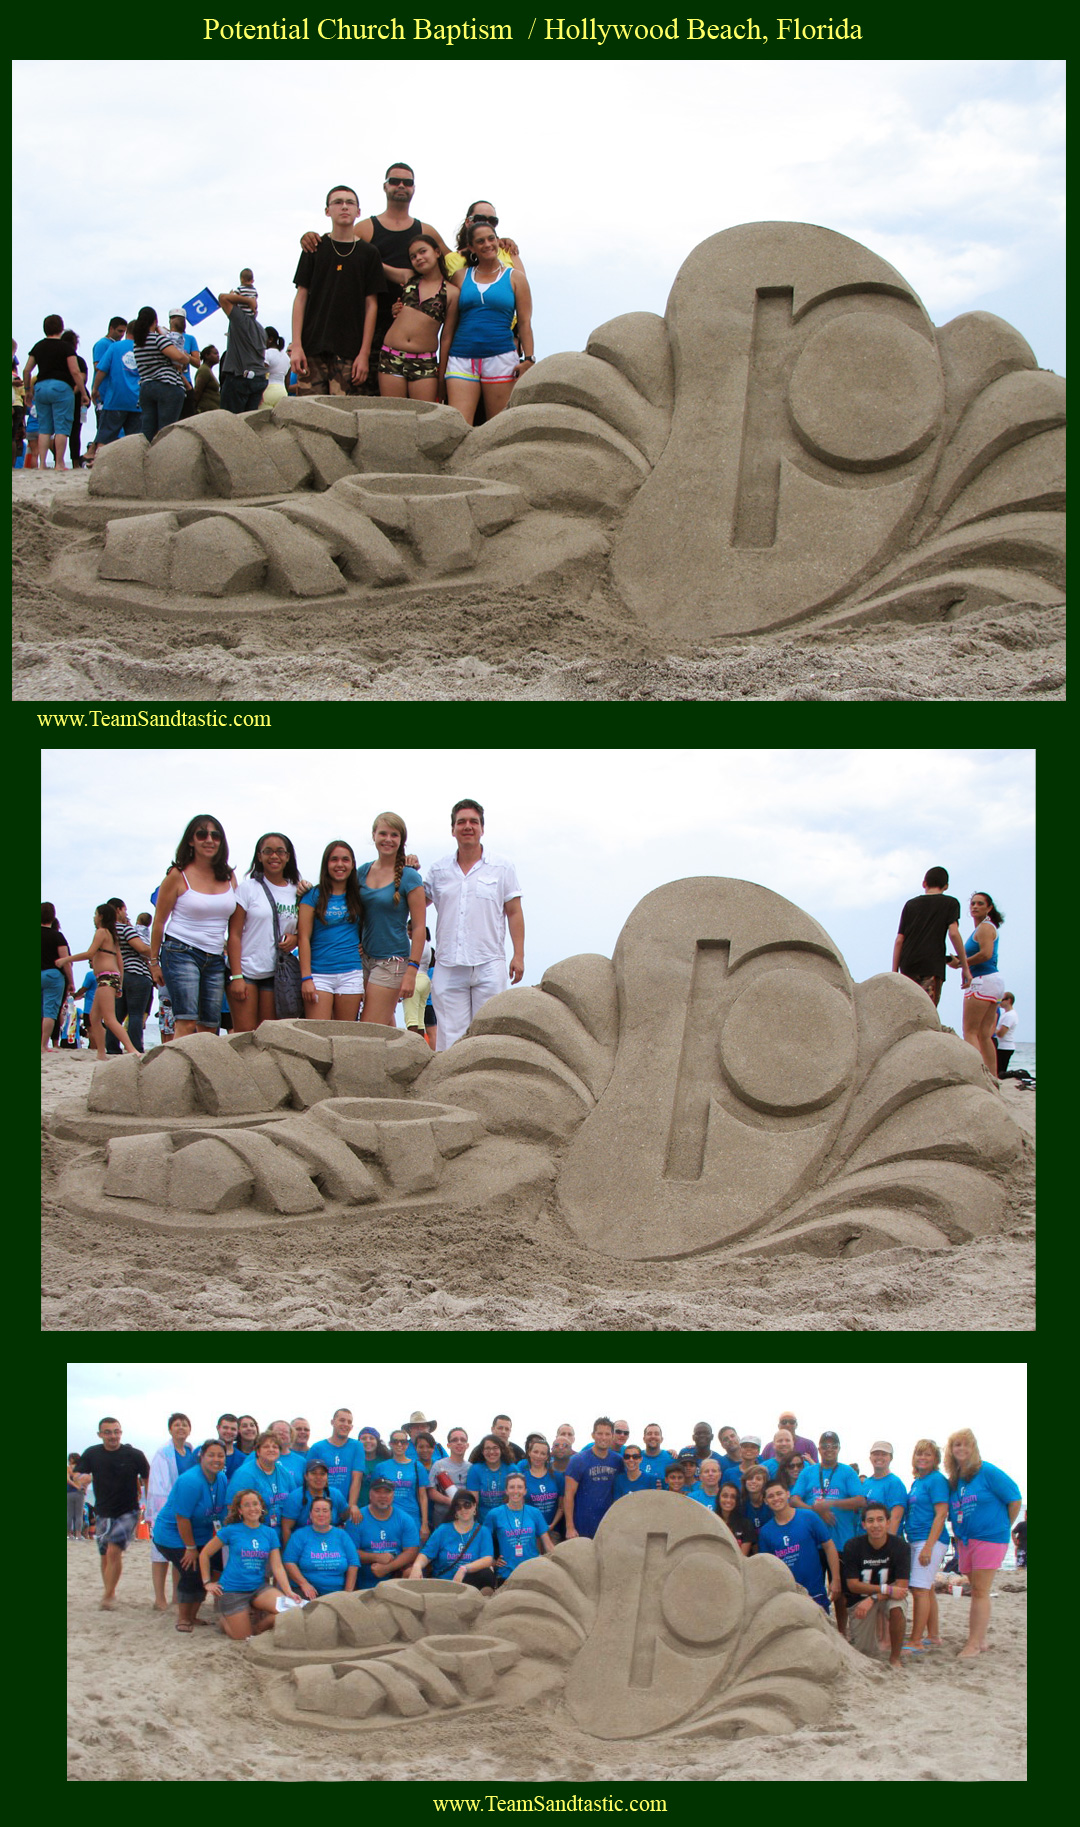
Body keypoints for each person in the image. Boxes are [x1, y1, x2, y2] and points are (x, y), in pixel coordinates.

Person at [427, 799, 524, 1051]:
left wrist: (519, 955)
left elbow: (514, 912)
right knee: (450, 1037)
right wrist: (404, 868)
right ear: (453, 829)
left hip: (489, 962)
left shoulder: (502, 867)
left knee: (490, 1034)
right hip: (449, 964)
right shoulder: (438, 871)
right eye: (461, 822)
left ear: (482, 828)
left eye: (473, 822)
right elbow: (416, 901)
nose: (467, 826)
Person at [290, 185, 387, 395]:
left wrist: (364, 353)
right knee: (309, 414)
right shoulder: (314, 247)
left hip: (350, 351)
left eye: (350, 203)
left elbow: (372, 305)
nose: (344, 207)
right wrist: (296, 345)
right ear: (327, 211)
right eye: (338, 202)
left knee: (342, 417)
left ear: (358, 211)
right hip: (312, 346)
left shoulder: (369, 253)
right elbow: (300, 298)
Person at [149, 816, 237, 1038]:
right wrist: (153, 963)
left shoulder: (228, 876)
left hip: (216, 957)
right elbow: (159, 921)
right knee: (186, 1021)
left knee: (209, 1026)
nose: (209, 840)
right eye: (202, 834)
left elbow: (236, 925)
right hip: (181, 950)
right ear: (191, 840)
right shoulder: (178, 875)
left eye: (215, 835)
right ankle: (179, 1072)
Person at [442, 221, 534, 424]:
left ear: (498, 241)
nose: (487, 244)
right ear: (472, 248)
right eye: (480, 241)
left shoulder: (515, 278)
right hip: (461, 358)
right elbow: (444, 311)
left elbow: (525, 322)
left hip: (500, 357)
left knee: (497, 427)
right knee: (458, 426)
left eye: (491, 238)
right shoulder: (460, 276)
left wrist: (528, 358)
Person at [945, 1426, 1022, 1659]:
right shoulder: (956, 1480)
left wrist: (1002, 1526)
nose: (961, 1448)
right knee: (976, 1588)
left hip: (989, 1539)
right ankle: (982, 1639)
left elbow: (1015, 1497)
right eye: (956, 1444)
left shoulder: (986, 1471)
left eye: (966, 1444)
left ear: (974, 1448)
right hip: (965, 1540)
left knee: (980, 1591)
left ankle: (974, 1644)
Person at [789, 1432, 865, 1637]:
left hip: (841, 1542)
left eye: (833, 1445)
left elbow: (860, 1500)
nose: (829, 1449)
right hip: (812, 1543)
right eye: (825, 1445)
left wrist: (831, 1503)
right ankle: (814, 1631)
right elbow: (794, 1499)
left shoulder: (847, 1472)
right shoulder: (809, 1472)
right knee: (811, 1588)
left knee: (839, 1590)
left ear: (839, 1448)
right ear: (819, 1449)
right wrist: (816, 1511)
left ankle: (841, 1632)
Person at [227, 831, 303, 1031]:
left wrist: (295, 938)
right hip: (247, 970)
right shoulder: (247, 889)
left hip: (277, 974)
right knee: (244, 1036)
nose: (274, 856)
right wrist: (236, 976)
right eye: (268, 851)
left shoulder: (297, 890)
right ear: (259, 856)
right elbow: (233, 934)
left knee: (269, 1036)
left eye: (280, 851)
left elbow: (304, 930)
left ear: (288, 856)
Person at [72, 1418, 151, 1610]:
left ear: (121, 1433)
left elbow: (148, 1478)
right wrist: (84, 1478)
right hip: (103, 1511)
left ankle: (107, 1596)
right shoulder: (92, 1453)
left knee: (114, 1550)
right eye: (108, 1432)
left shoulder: (134, 1455)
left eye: (116, 1431)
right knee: (104, 1555)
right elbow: (77, 1475)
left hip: (129, 1511)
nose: (113, 1436)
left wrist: (149, 1505)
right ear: (100, 1435)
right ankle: (111, 1591)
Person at [357, 813, 427, 1026]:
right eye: (383, 833)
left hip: (393, 962)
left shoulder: (410, 876)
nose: (388, 839)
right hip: (364, 959)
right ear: (374, 835)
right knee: (385, 1026)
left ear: (401, 840)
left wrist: (412, 971)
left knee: (369, 1027)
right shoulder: (362, 872)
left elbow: (418, 927)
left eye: (394, 835)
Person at [151, 1440, 229, 1630]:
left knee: (213, 1566)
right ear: (201, 1456)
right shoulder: (189, 1481)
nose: (216, 1459)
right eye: (211, 1455)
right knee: (192, 1570)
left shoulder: (221, 1478)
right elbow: (181, 1518)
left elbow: (221, 1513)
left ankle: (193, 1615)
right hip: (172, 1535)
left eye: (220, 1455)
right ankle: (184, 1618)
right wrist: (191, 1548)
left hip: (201, 1533)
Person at [199, 1489, 298, 1639]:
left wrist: (288, 1591)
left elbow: (277, 1566)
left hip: (258, 1588)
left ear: (261, 1507)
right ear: (240, 1510)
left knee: (290, 1610)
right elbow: (205, 1554)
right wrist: (207, 1582)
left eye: (255, 1504)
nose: (252, 1508)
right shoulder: (230, 1531)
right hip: (233, 1590)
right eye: (247, 1505)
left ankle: (259, 1627)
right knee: (243, 1637)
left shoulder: (270, 1533)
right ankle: (225, 1621)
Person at [378, 234, 459, 403]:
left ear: (437, 252)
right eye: (413, 256)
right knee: (392, 415)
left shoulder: (452, 292)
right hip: (391, 356)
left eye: (423, 252)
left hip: (424, 363)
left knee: (423, 418)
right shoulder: (408, 278)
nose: (418, 258)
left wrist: (442, 374)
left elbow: (446, 337)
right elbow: (378, 266)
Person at [298, 840, 365, 1021]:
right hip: (319, 974)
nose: (340, 864)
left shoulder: (359, 895)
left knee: (345, 1035)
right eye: (334, 859)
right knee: (319, 1035)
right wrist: (306, 978)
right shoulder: (312, 895)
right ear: (326, 864)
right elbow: (303, 938)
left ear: (352, 865)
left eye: (345, 860)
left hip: (351, 972)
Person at [841, 1500, 911, 1667]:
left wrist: (873, 1597)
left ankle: (895, 1657)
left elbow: (901, 1587)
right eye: (870, 1521)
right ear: (864, 1524)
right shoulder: (853, 1546)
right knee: (864, 1652)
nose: (876, 1525)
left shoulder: (901, 1546)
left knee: (897, 1608)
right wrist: (886, 1589)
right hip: (860, 1601)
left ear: (888, 1523)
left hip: (883, 1597)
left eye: (880, 1520)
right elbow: (852, 1585)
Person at [67, 905, 139, 1059]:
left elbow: (90, 953)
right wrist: (119, 983)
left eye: (95, 914)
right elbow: (120, 961)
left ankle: (132, 1049)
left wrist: (66, 959)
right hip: (108, 978)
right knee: (94, 1018)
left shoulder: (101, 932)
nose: (94, 917)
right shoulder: (112, 935)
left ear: (101, 916)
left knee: (109, 1019)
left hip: (106, 978)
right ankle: (101, 1053)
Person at [948, 892, 1008, 1077]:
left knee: (970, 1032)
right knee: (984, 1034)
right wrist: (960, 961)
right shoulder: (985, 928)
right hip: (993, 981)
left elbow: (985, 954)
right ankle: (992, 1077)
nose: (974, 906)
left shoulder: (984, 928)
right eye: (973, 903)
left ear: (989, 908)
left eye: (980, 903)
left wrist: (962, 963)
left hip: (983, 980)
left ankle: (976, 1075)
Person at [759, 1478, 840, 1613]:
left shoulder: (809, 1517)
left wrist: (836, 1579)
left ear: (788, 1494)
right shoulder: (766, 1532)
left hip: (815, 1593)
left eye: (779, 1493)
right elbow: (768, 1568)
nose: (776, 1498)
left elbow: (829, 1546)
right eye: (771, 1496)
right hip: (788, 1597)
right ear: (766, 1501)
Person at [893, 865, 970, 1007]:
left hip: (908, 964)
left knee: (907, 1010)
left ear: (924, 883)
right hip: (932, 965)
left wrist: (894, 973)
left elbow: (899, 940)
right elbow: (953, 933)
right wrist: (965, 967)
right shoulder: (950, 903)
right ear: (946, 886)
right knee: (926, 1012)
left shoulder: (910, 905)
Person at [145, 1413, 199, 1610]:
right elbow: (159, 1485)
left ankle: (177, 1595)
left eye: (185, 1425)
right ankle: (160, 1598)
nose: (181, 1428)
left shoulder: (190, 1451)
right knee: (160, 1555)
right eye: (177, 1425)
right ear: (170, 1429)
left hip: (187, 1509)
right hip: (166, 1508)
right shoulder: (163, 1453)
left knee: (181, 1552)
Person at [21, 313, 89, 470]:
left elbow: (26, 370)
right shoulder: (66, 347)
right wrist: (83, 394)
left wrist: (27, 390)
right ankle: (59, 463)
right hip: (61, 388)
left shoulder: (38, 346)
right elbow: (74, 371)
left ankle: (43, 464)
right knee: (61, 428)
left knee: (44, 428)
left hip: (41, 387)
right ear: (61, 328)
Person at [905, 1438, 950, 1653]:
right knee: (928, 1587)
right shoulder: (917, 1482)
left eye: (928, 1454)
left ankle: (916, 1640)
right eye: (919, 1454)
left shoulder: (937, 1480)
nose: (922, 1458)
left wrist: (929, 1547)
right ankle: (933, 1635)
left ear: (935, 1459)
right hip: (915, 1538)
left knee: (919, 1589)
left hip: (929, 1539)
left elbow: (941, 1513)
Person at [406, 1488, 495, 1588]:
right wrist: (417, 1566)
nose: (463, 1509)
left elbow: (487, 1559)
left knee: (487, 1573)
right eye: (458, 1506)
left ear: (474, 1507)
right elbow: (426, 1554)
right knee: (410, 1572)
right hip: (444, 1583)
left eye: (467, 1505)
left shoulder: (483, 1531)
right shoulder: (443, 1530)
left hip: (468, 1583)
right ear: (455, 1511)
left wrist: (464, 1568)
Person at [129, 306, 193, 439]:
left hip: (146, 387)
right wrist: (186, 357)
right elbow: (179, 357)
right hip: (168, 385)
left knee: (148, 430)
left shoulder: (137, 344)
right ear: (154, 321)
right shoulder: (158, 339)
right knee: (166, 430)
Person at [103, 897, 154, 1054]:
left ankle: (112, 1047)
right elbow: (141, 949)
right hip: (137, 973)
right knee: (136, 1014)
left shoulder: (105, 932)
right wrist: (155, 952)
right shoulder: (125, 929)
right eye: (124, 910)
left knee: (116, 1015)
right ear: (118, 909)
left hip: (117, 974)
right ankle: (135, 1048)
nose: (126, 913)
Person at [283, 1496, 360, 1598]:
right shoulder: (299, 1535)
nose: (321, 1514)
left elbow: (353, 1563)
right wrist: (304, 1584)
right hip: (308, 1591)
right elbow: (289, 1561)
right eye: (317, 1510)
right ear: (310, 1514)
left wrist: (348, 1593)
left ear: (331, 1514)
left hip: (337, 1591)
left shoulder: (342, 1535)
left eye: (325, 1510)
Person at [350, 1477, 421, 1586]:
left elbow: (411, 1551)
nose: (382, 1496)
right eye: (378, 1492)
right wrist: (376, 1557)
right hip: (364, 1577)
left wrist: (387, 1568)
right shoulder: (357, 1517)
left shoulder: (404, 1519)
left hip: (394, 1576)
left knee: (412, 1572)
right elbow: (350, 1552)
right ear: (370, 1494)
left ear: (393, 1495)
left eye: (387, 1492)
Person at [564, 1418, 624, 1540]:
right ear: (593, 1435)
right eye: (600, 1433)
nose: (603, 1437)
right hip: (582, 1525)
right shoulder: (578, 1460)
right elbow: (568, 1495)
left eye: (607, 1434)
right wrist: (570, 1527)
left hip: (608, 1524)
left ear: (612, 1436)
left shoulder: (618, 1461)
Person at [488, 1473, 554, 1582]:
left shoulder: (535, 1513)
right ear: (506, 1490)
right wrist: (492, 1561)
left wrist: (556, 1561)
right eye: (512, 1487)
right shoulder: (494, 1514)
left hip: (533, 1571)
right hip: (506, 1574)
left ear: (525, 1491)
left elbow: (547, 1544)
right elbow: (483, 1540)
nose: (516, 1491)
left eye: (519, 1487)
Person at [223, 1429, 296, 1529]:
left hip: (280, 1531)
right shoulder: (244, 1474)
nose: (271, 1449)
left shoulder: (285, 1473)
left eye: (275, 1447)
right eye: (266, 1446)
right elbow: (232, 1508)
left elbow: (294, 1501)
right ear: (258, 1451)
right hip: (252, 1531)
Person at [217, 282, 268, 414]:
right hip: (258, 379)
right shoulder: (260, 329)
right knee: (248, 423)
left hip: (239, 377)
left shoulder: (239, 320)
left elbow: (223, 298)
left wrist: (246, 300)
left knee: (231, 424)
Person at [91, 320, 141, 446]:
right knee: (134, 440)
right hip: (136, 400)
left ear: (127, 331)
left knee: (104, 438)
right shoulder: (142, 349)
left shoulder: (114, 347)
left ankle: (101, 462)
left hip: (115, 400)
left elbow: (101, 370)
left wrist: (95, 389)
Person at [445, 200, 524, 279]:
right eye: (480, 219)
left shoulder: (508, 251)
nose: (487, 223)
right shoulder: (450, 260)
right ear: (468, 222)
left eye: (492, 221)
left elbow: (522, 287)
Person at [278, 1461, 349, 1546]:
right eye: (314, 1473)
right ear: (306, 1476)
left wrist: (352, 1510)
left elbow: (345, 1517)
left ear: (327, 1477)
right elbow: (286, 1528)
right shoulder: (295, 1497)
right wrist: (290, 1555)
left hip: (330, 1541)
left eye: (322, 1474)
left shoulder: (336, 1494)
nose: (318, 1477)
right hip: (303, 1543)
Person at [373, 1429, 430, 1535]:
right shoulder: (381, 1467)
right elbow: (373, 1495)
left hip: (412, 1517)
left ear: (407, 1444)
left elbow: (423, 1497)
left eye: (403, 1442)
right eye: (395, 1441)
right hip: (387, 1517)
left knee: (413, 1550)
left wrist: (425, 1524)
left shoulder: (417, 1466)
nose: (399, 1444)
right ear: (390, 1444)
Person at [308, 1409, 362, 1505]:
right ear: (332, 1422)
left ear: (352, 1427)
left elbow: (356, 1478)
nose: (345, 1424)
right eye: (342, 1420)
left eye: (349, 1422)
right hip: (321, 1504)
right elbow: (309, 1478)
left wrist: (351, 1505)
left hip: (345, 1504)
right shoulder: (317, 1447)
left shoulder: (357, 1446)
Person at [41, 902, 73, 1053]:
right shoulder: (57, 936)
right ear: (53, 917)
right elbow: (65, 960)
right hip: (53, 975)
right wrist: (71, 981)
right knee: (50, 1011)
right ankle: (43, 1045)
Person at [515, 1437, 566, 1527]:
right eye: (535, 1452)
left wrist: (552, 1526)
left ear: (547, 1457)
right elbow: (519, 1507)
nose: (538, 1456)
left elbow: (561, 1507)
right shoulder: (522, 1478)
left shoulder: (557, 1476)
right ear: (529, 1453)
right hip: (529, 1529)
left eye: (543, 1453)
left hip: (552, 1529)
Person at [428, 1426, 472, 1525]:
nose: (459, 1442)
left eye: (463, 1440)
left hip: (464, 1517)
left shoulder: (471, 1468)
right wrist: (449, 1501)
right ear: (448, 1445)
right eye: (455, 1440)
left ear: (467, 1445)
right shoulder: (438, 1465)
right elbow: (431, 1491)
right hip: (442, 1518)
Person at [466, 1434, 516, 1520]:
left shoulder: (512, 1469)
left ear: (501, 1450)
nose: (491, 1452)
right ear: (482, 1451)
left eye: (495, 1448)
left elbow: (518, 1497)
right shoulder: (475, 1470)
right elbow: (473, 1501)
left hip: (507, 1519)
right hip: (483, 1521)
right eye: (487, 1448)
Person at [862, 1442, 908, 1535]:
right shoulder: (866, 1483)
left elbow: (896, 1518)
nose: (879, 1457)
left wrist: (886, 1546)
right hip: (865, 1542)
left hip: (885, 1543)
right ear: (870, 1457)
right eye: (876, 1454)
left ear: (891, 1458)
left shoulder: (895, 1483)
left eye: (884, 1454)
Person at [59, 330, 90, 465]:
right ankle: (75, 462)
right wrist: (76, 393)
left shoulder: (58, 361)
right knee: (75, 431)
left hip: (62, 397)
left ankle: (58, 460)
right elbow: (81, 379)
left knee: (59, 430)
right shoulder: (78, 360)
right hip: (76, 399)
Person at [717, 1481, 755, 1555]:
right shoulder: (712, 1522)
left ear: (737, 1501)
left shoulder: (746, 1525)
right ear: (718, 1498)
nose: (728, 1500)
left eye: (733, 1497)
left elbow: (742, 1557)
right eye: (725, 1496)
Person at [261, 327, 291, 406]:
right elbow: (287, 381)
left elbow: (263, 375)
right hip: (282, 391)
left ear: (270, 339)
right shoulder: (286, 357)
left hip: (268, 391)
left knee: (263, 417)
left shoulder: (266, 353)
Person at [191, 345, 221, 414]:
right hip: (205, 411)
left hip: (212, 411)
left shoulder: (208, 370)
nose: (218, 356)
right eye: (215, 353)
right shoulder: (204, 370)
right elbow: (197, 391)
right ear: (207, 355)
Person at [994, 992, 1018, 1077]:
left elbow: (1001, 1033)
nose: (1000, 1002)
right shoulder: (1006, 1014)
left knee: (1000, 1072)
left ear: (1009, 1001)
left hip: (1005, 1047)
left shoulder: (1010, 1016)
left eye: (1002, 1000)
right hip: (1003, 1046)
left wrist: (992, 1028)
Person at [68, 1454, 86, 1541]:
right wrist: (81, 1488)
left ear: (71, 1459)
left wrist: (75, 1486)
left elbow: (68, 1480)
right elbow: (85, 1480)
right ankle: (78, 1535)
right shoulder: (81, 1469)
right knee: (79, 1514)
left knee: (69, 1514)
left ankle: (68, 1534)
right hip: (79, 1493)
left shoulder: (68, 1468)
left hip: (69, 1492)